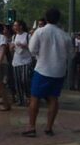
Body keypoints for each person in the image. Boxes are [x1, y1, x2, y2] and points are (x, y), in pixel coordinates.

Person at [23, 8, 74, 137]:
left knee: (35, 98)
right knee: (53, 99)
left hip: (42, 69)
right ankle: (49, 127)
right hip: (58, 71)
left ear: (46, 18)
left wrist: (39, 55)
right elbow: (71, 54)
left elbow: (32, 49)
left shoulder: (40, 32)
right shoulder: (65, 35)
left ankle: (31, 127)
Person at [10, 20, 33, 107]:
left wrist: (25, 46)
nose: (14, 27)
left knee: (25, 79)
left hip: (26, 61)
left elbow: (32, 47)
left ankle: (28, 96)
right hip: (16, 61)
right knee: (18, 81)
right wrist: (12, 47)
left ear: (21, 26)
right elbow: (11, 49)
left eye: (16, 25)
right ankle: (20, 99)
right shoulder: (14, 36)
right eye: (14, 26)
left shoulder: (28, 36)